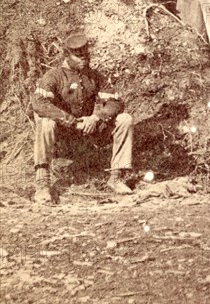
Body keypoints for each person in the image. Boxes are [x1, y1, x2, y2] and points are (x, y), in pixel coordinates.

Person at [31, 31, 134, 203]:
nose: (84, 59)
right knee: (45, 121)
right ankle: (43, 182)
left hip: (90, 130)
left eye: (86, 55)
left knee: (125, 119)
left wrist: (96, 117)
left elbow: (115, 102)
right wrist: (69, 120)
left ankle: (116, 177)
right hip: (63, 134)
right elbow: (40, 104)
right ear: (66, 55)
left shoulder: (94, 76)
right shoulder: (53, 76)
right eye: (78, 56)